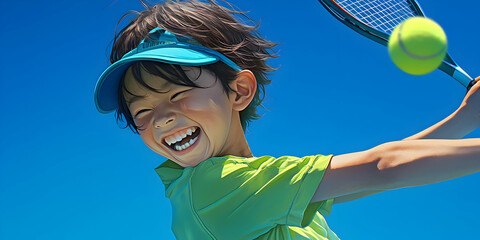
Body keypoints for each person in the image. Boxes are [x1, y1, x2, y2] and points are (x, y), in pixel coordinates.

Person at [94, 0, 480, 239]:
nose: (161, 119)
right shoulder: (216, 187)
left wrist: (464, 119)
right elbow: (384, 166)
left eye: (178, 94)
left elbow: (368, 174)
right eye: (142, 111)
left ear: (239, 91)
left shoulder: (256, 194)